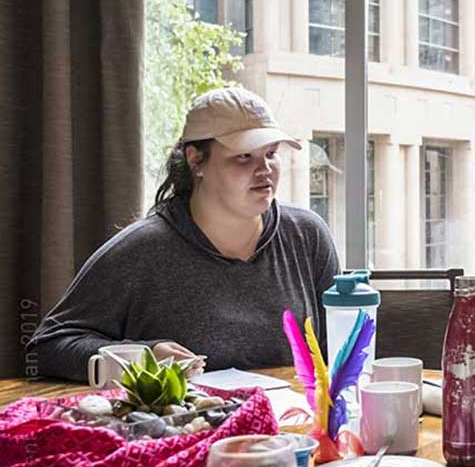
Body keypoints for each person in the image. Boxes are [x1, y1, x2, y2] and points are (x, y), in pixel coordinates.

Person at [31, 87, 340, 381]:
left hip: (292, 431)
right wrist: (143, 358)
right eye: (244, 156)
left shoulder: (307, 235)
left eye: (271, 154)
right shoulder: (141, 249)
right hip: (185, 430)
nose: (265, 170)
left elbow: (339, 352)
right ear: (196, 160)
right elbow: (48, 346)